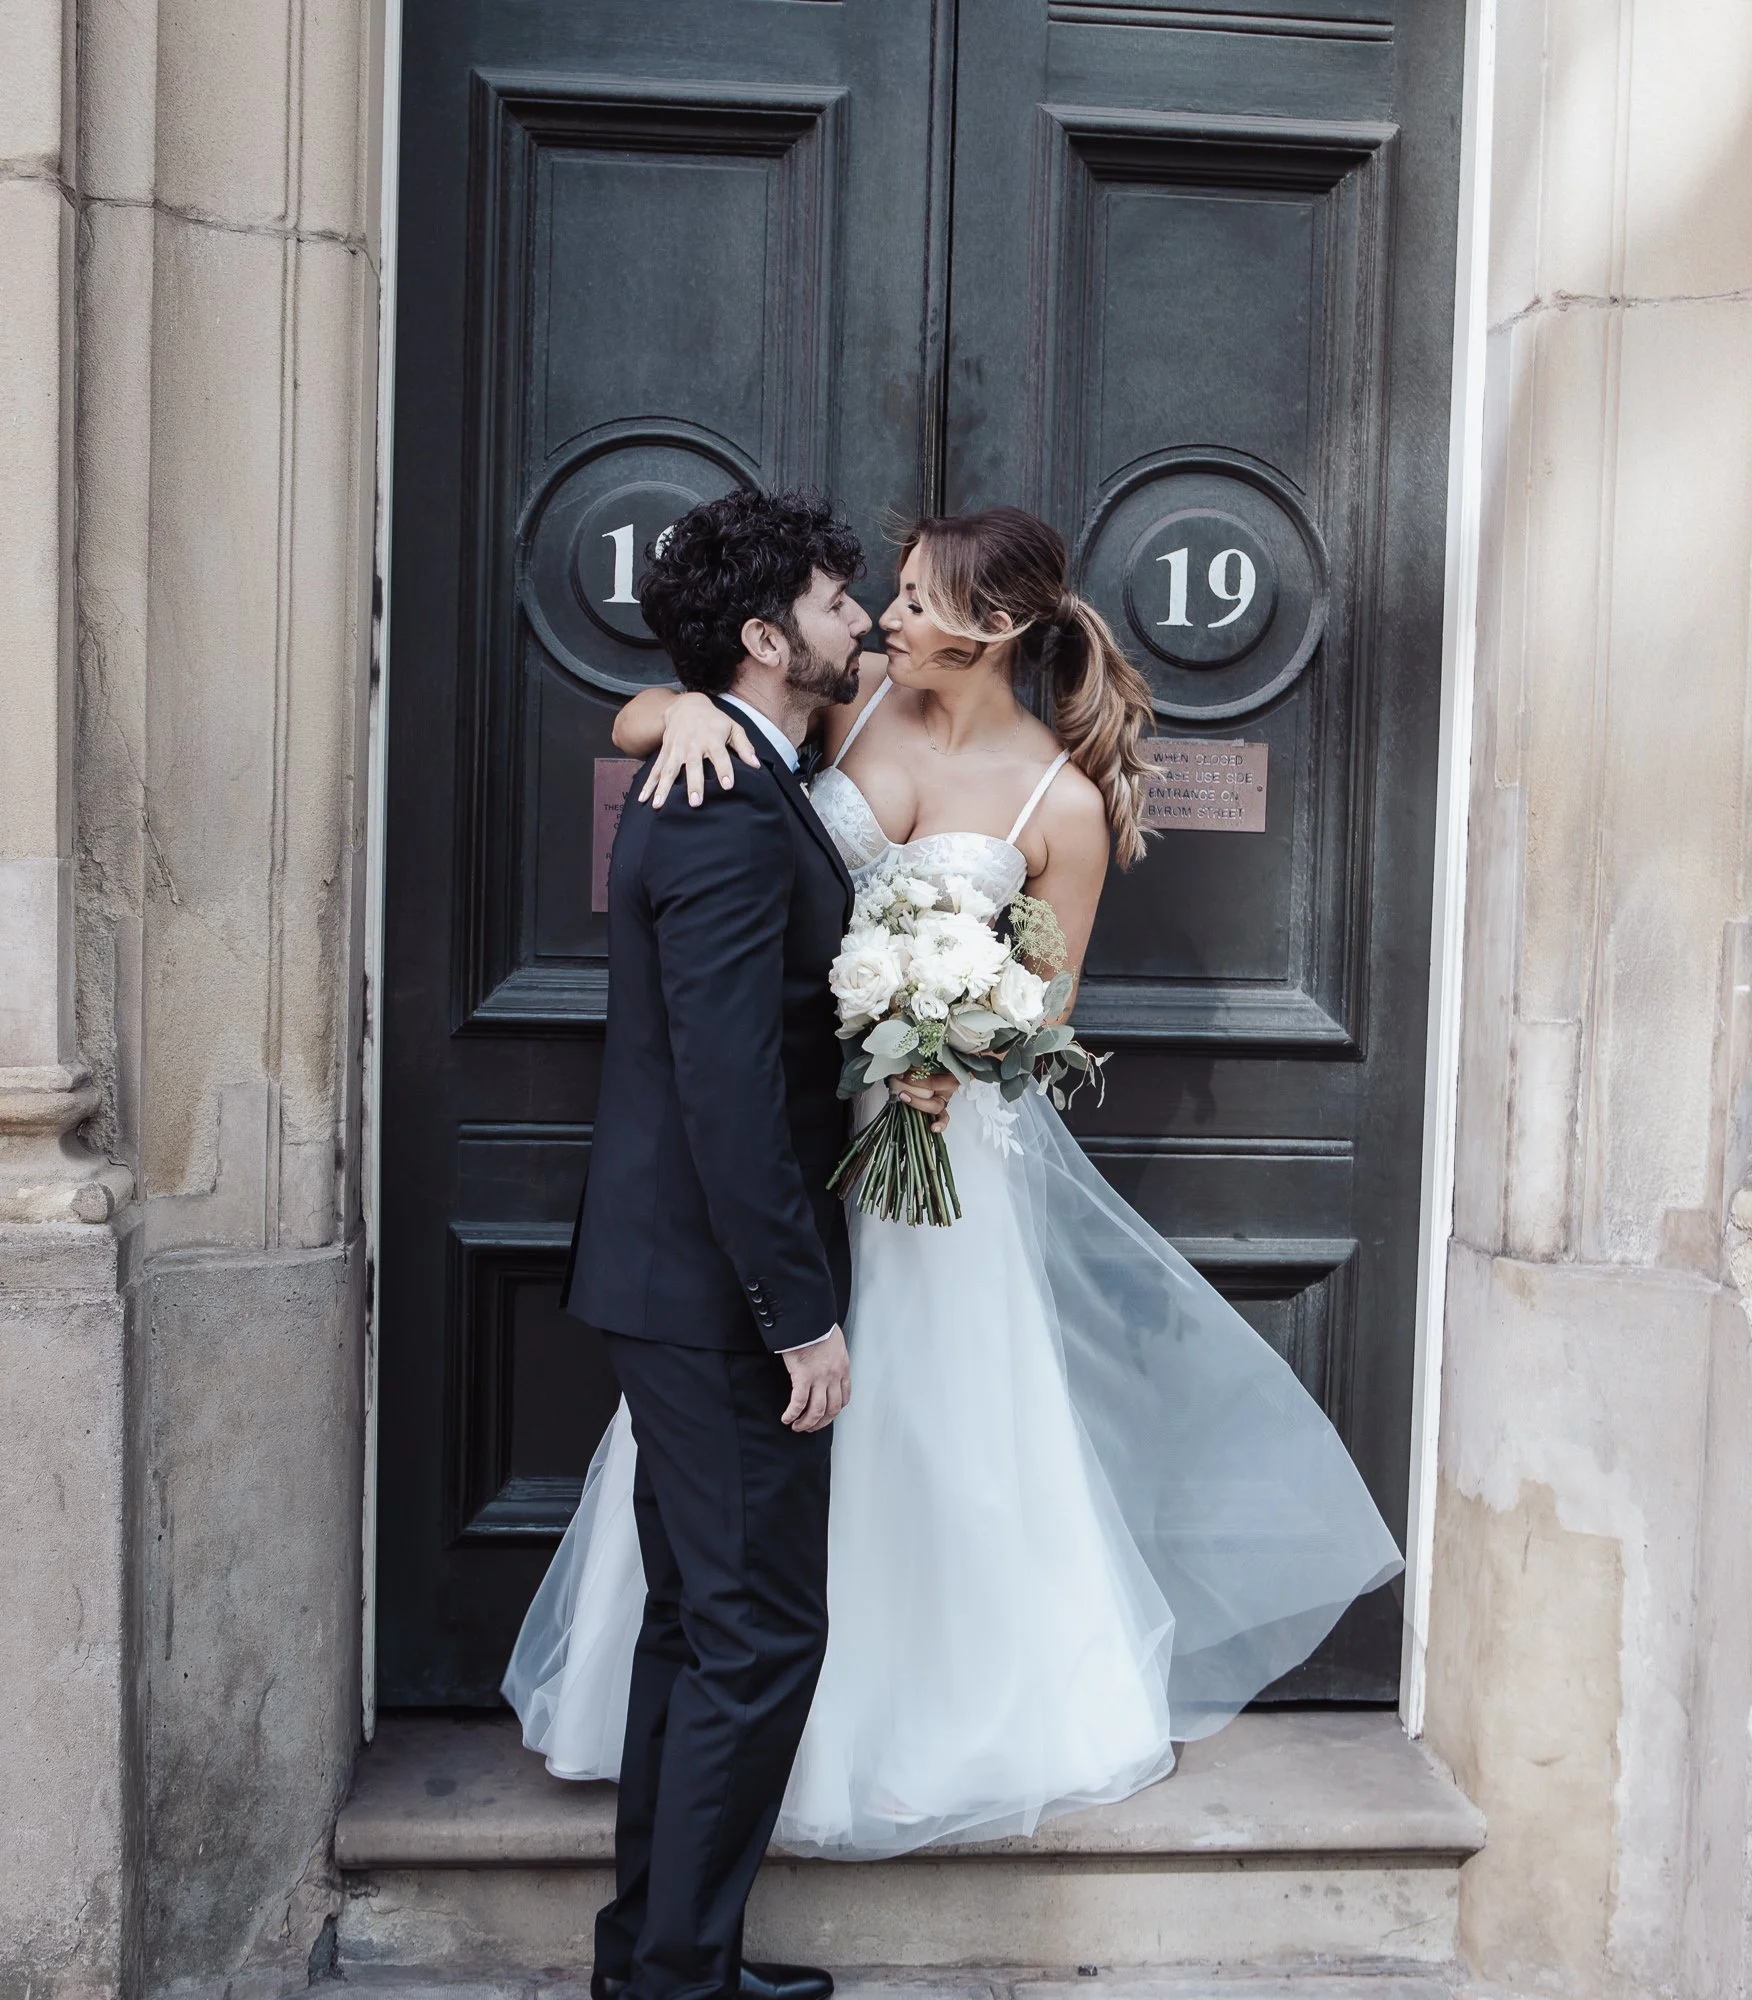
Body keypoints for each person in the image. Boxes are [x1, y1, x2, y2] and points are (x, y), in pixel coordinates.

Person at [506, 504, 1403, 1865]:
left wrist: (962, 1050)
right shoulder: (849, 702)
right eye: (885, 596)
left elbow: (1049, 1014)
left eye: (916, 598)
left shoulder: (1063, 802)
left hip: (926, 1172)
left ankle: (904, 1733)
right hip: (778, 1145)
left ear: (992, 628)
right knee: (751, 1459)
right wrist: (665, 720)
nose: (884, 617)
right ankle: (720, 1766)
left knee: (922, 1438)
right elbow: (700, 720)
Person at [553, 488, 871, 2000]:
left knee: (700, 1630)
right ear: (765, 636)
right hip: (716, 1291)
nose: (859, 621)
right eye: (830, 603)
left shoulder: (736, 765)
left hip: (674, 1280)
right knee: (757, 1639)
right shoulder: (728, 801)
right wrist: (798, 1316)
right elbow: (729, 1094)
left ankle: (665, 1962)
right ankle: (675, 1978)